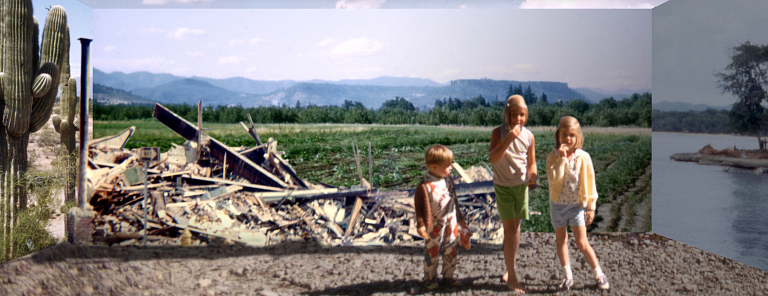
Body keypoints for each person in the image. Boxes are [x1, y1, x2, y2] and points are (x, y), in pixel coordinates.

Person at [546, 116, 609, 291]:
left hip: (576, 206)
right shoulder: (552, 157)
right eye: (564, 134)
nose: (568, 139)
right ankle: (568, 277)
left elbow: (590, 183)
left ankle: (598, 274)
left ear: (578, 137)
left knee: (582, 242)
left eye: (572, 135)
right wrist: (562, 159)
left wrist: (591, 206)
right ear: (558, 135)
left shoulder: (584, 157)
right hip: (557, 206)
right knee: (561, 240)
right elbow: (554, 177)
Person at [490, 94, 537, 293]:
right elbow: (494, 158)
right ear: (507, 114)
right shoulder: (498, 133)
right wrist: (509, 138)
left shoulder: (529, 136)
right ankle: (512, 277)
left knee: (516, 228)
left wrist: (533, 175)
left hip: (520, 187)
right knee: (510, 230)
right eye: (514, 115)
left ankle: (509, 269)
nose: (518, 119)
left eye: (522, 115)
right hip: (503, 187)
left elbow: (531, 161)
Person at [414, 144, 468, 290]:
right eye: (447, 165)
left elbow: (454, 200)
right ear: (434, 167)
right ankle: (430, 279)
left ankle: (448, 277)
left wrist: (461, 219)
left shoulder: (448, 180)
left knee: (452, 248)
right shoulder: (425, 186)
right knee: (432, 251)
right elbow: (419, 208)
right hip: (434, 224)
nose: (451, 167)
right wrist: (421, 224)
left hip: (451, 221)